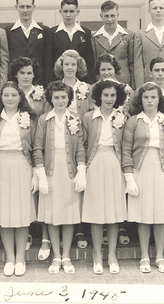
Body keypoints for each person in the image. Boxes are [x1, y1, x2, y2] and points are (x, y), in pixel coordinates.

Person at [122, 82, 164, 274]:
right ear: (141, 100)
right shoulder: (133, 121)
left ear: (159, 99)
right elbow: (126, 152)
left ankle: (160, 256)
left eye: (153, 97)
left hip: (162, 170)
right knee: (144, 216)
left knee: (160, 216)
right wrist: (129, 178)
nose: (149, 100)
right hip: (141, 169)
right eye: (146, 97)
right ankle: (145, 256)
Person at [34, 81, 86, 275]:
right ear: (51, 99)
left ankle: (66, 256)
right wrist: (41, 176)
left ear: (69, 99)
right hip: (50, 172)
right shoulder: (43, 120)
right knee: (52, 216)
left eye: (64, 97)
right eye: (56, 97)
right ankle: (56, 255)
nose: (60, 101)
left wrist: (81, 171)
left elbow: (80, 148)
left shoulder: (75, 120)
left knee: (68, 216)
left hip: (69, 172)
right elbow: (37, 148)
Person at [0, 82, 37, 277]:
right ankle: (9, 258)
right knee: (4, 213)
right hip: (0, 164)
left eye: (13, 95)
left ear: (20, 97)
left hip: (22, 164)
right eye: (6, 95)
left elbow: (35, 146)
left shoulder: (29, 118)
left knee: (21, 213)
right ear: (1, 97)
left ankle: (21, 259)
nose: (9, 98)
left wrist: (35, 173)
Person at [82, 80, 127, 275]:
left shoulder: (122, 117)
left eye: (113, 96)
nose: (109, 99)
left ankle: (111, 255)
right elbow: (82, 145)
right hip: (95, 162)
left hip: (115, 163)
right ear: (99, 96)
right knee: (97, 212)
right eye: (106, 95)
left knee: (113, 212)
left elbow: (127, 145)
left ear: (118, 98)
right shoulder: (88, 117)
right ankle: (97, 255)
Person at [8, 56, 51, 258]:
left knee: (41, 192)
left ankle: (45, 236)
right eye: (22, 73)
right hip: (20, 149)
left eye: (29, 73)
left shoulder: (40, 95)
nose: (26, 76)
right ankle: (23, 232)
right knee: (21, 194)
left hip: (39, 146)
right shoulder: (9, 92)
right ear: (16, 74)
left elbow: (47, 120)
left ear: (34, 74)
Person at [53, 49, 91, 248]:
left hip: (80, 138)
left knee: (78, 185)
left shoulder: (86, 88)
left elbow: (91, 112)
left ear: (78, 67)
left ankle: (79, 230)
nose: (69, 68)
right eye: (66, 64)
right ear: (61, 66)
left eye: (73, 65)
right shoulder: (56, 87)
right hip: (61, 138)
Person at [5, 0, 51, 86]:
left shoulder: (44, 31)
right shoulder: (8, 31)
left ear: (33, 7)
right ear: (16, 7)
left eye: (28, 7)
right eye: (22, 7)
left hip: (38, 83)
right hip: (15, 83)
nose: (25, 10)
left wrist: (47, 85)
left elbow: (48, 60)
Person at [134, 0, 164, 85]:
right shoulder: (140, 34)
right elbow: (138, 64)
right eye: (154, 8)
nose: (158, 10)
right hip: (148, 83)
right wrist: (140, 87)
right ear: (149, 11)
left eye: (161, 8)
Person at [49, 0, 95, 84]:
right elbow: (49, 61)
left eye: (71, 11)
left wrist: (90, 82)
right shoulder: (52, 32)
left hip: (81, 81)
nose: (68, 15)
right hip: (59, 81)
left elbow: (89, 60)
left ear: (77, 12)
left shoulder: (85, 32)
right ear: (60, 12)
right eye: (65, 11)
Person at [92, 0, 135, 87]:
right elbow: (94, 63)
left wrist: (133, 86)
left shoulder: (129, 35)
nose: (109, 19)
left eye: (112, 16)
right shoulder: (94, 37)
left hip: (123, 83)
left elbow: (132, 63)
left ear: (118, 15)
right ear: (101, 16)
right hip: (102, 83)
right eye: (106, 16)